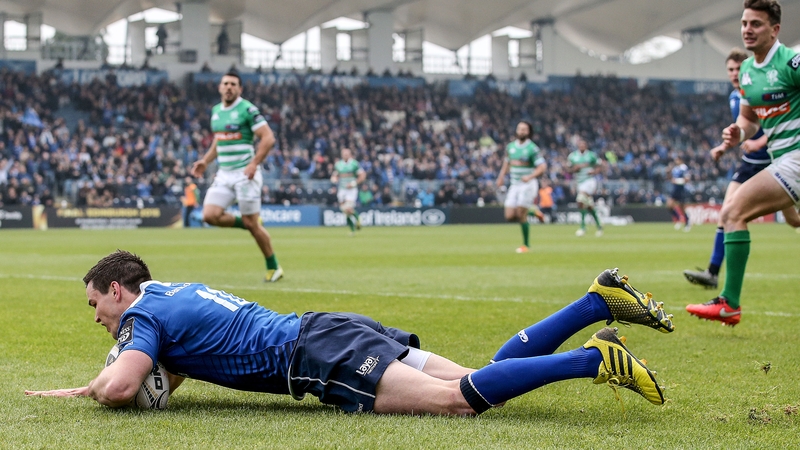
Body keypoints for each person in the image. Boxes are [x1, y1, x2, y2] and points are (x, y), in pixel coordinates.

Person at [25, 250, 675, 415]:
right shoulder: (173, 293)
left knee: (459, 401)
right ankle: (595, 304)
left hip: (318, 354)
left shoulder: (143, 315)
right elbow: (184, 361)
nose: (98, 318)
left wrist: (94, 388)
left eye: (95, 305)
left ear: (118, 289)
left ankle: (592, 363)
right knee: (478, 382)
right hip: (329, 328)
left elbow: (123, 388)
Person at [686, 0, 800, 326]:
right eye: (744, 23)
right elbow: (749, 120)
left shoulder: (792, 63)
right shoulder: (748, 71)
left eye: (756, 24)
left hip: (796, 157)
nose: (748, 30)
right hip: (783, 160)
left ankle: (729, 304)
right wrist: (738, 132)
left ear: (775, 30)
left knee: (733, 211)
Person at [190, 72, 283, 282]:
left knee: (254, 227)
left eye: (233, 84)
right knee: (209, 215)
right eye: (225, 84)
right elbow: (219, 140)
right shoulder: (216, 112)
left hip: (245, 174)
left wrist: (253, 163)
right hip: (224, 173)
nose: (229, 87)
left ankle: (273, 266)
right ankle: (248, 222)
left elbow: (268, 138)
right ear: (220, 88)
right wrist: (206, 161)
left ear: (240, 89)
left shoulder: (247, 109)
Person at [496, 121, 547, 253]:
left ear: (529, 132)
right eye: (520, 129)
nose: (521, 131)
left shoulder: (532, 148)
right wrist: (501, 177)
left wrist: (530, 177)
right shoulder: (511, 147)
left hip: (527, 185)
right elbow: (506, 163)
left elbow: (542, 167)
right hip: (514, 184)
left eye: (524, 129)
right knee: (509, 216)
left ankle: (526, 245)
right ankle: (534, 212)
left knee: (520, 214)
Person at [568, 138, 605, 237]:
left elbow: (600, 165)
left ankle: (583, 227)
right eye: (580, 145)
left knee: (580, 200)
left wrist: (594, 172)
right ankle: (599, 225)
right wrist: (574, 169)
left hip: (589, 181)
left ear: (586, 146)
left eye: (583, 145)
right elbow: (568, 169)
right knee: (588, 206)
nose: (582, 147)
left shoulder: (591, 155)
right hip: (579, 182)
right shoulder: (572, 156)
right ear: (578, 146)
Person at [330, 148, 366, 235]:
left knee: (348, 208)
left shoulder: (354, 164)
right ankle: (352, 230)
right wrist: (334, 179)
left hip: (351, 190)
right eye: (344, 154)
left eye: (347, 154)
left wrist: (354, 183)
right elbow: (335, 175)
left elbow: (363, 175)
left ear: (350, 154)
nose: (345, 155)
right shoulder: (338, 164)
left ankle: (358, 219)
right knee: (344, 211)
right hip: (342, 190)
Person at [666, 157, 691, 232]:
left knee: (682, 208)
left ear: (681, 160)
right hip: (675, 189)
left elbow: (687, 179)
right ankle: (678, 219)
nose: (676, 161)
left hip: (681, 190)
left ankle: (687, 222)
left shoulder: (684, 168)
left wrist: (676, 181)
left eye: (677, 160)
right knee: (669, 205)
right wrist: (668, 172)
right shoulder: (675, 168)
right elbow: (671, 179)